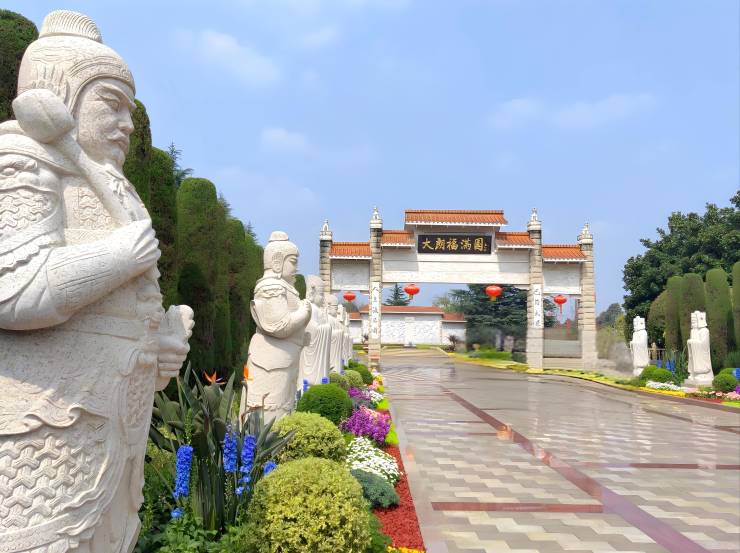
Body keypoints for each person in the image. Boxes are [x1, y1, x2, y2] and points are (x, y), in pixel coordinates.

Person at [0, 11, 193, 552]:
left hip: (114, 426)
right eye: (112, 104)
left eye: (130, 109)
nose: (127, 123)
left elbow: (116, 317)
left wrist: (158, 350)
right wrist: (116, 257)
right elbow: (13, 288)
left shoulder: (112, 186)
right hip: (49, 424)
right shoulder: (22, 161)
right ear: (60, 94)